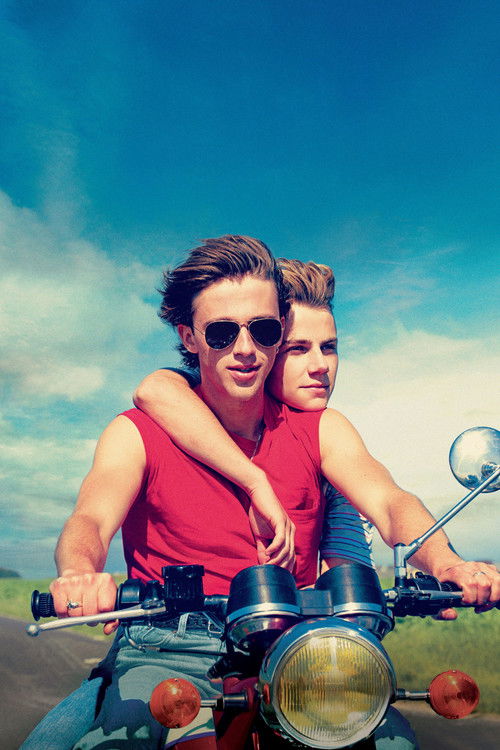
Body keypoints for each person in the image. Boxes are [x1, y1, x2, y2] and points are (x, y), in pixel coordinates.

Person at [22, 236, 499, 750]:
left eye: (264, 330)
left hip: (297, 652)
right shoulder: (136, 432)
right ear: (188, 337)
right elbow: (90, 520)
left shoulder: (320, 429)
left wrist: (448, 563)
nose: (246, 349)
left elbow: (390, 500)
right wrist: (79, 573)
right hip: (170, 645)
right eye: (222, 332)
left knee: (391, 741)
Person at [134, 257, 375, 572]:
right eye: (297, 349)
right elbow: (155, 389)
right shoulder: (191, 395)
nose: (320, 367)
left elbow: (387, 508)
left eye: (329, 347)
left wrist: (438, 558)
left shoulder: (327, 433)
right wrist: (255, 480)